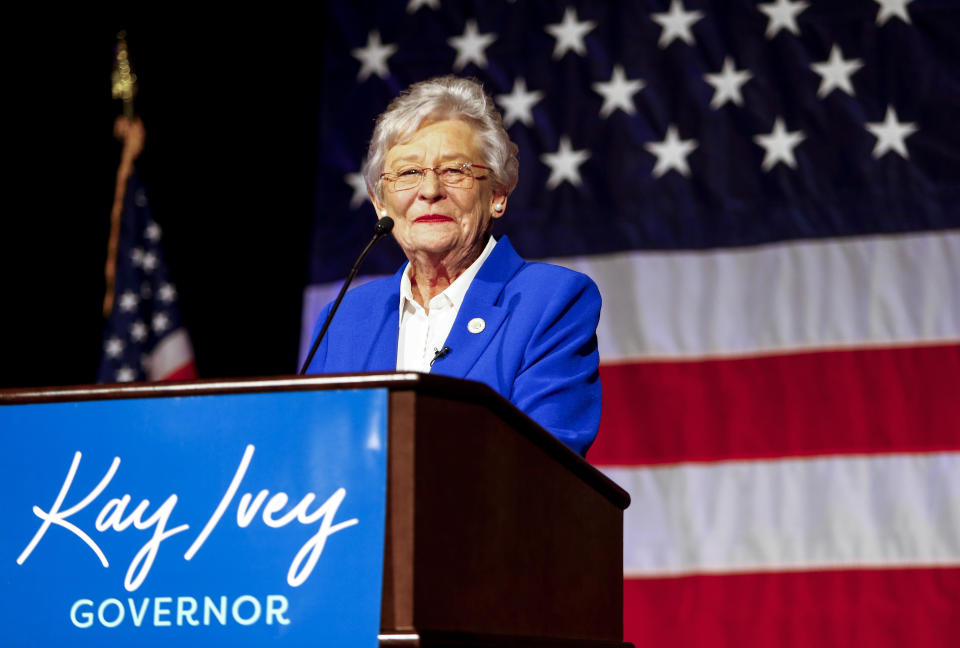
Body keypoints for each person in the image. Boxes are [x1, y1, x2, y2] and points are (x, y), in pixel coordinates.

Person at [305, 75, 601, 456]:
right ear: (380, 202)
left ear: (497, 193)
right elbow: (308, 457)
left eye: (454, 170)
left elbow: (545, 464)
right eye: (408, 173)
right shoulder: (344, 318)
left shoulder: (549, 301)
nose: (429, 191)